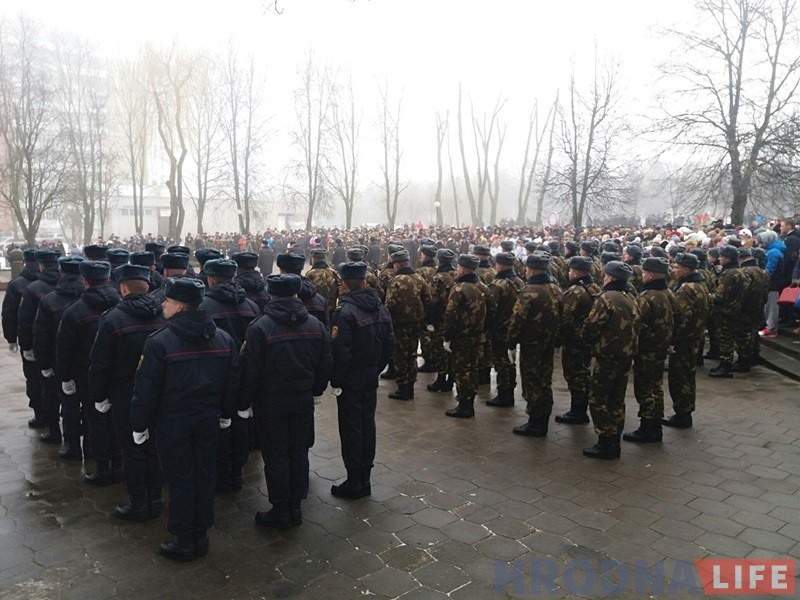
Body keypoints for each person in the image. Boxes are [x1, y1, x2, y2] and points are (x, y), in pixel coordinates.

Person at [130, 278, 239, 561]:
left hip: (173, 423)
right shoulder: (224, 339)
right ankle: (200, 534)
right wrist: (226, 415)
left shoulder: (160, 342)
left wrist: (138, 425)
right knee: (204, 476)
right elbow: (232, 384)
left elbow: (146, 390)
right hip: (207, 420)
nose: (162, 304)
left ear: (179, 306)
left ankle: (183, 539)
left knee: (179, 480)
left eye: (167, 301)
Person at [239, 274, 332, 529]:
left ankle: (281, 509)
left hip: (270, 401)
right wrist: (316, 389)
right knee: (298, 450)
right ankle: (295, 505)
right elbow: (325, 361)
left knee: (276, 454)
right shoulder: (315, 324)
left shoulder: (260, 327)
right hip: (302, 398)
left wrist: (244, 401)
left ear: (271, 294)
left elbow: (252, 370)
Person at [90, 265, 166, 504]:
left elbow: (101, 363)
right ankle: (155, 495)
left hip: (125, 394)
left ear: (122, 288)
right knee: (155, 446)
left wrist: (99, 395)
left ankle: (138, 502)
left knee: (132, 449)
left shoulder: (112, 319)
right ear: (147, 287)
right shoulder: (164, 315)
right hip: (160, 391)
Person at [329, 262, 394, 499]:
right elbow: (389, 344)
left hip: (351, 379)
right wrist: (376, 368)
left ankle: (355, 480)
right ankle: (364, 477)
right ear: (365, 282)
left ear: (345, 284)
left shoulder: (344, 313)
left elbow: (340, 352)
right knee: (367, 425)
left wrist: (336, 381)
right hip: (369, 375)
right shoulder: (381, 308)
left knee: (351, 428)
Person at [200, 259, 260, 493]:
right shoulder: (251, 305)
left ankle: (221, 475)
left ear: (211, 279)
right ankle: (236, 472)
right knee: (240, 423)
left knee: (218, 427)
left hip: (215, 378)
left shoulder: (204, 306)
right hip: (244, 376)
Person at [55, 260, 120, 466]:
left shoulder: (74, 311)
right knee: (115, 419)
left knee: (95, 419)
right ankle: (116, 462)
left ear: (85, 282)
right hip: (117, 373)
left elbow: (64, 349)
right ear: (108, 280)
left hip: (86, 373)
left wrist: (65, 377)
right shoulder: (120, 305)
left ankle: (98, 461)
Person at [581, 261, 640, 459]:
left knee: (598, 398)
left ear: (611, 277)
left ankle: (606, 440)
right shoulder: (630, 296)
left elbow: (591, 326)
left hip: (608, 355)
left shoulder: (606, 298)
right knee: (616, 397)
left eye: (606, 275)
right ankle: (614, 437)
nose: (603, 277)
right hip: (626, 354)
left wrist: (587, 341)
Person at [507, 251, 563, 436]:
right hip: (549, 342)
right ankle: (543, 418)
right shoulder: (556, 288)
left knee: (532, 382)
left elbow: (517, 320)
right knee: (545, 380)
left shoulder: (529, 292)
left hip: (532, 344)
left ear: (531, 270)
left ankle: (535, 422)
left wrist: (510, 343)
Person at [33, 256, 85, 446]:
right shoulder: (88, 298)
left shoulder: (49, 301)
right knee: (87, 404)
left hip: (58, 360)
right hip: (86, 361)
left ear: (62, 272)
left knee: (58, 398)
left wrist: (44, 364)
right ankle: (88, 447)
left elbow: (42, 337)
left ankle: (59, 436)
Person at [624, 257, 675, 444]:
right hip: (661, 347)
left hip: (647, 349)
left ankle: (648, 428)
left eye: (645, 273)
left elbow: (635, 324)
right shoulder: (668, 292)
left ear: (651, 274)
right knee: (656, 387)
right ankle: (655, 423)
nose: (642, 275)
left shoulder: (647, 297)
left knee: (645, 388)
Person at [665, 253, 712, 429]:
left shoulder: (686, 288)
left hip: (684, 340)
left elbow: (682, 318)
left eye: (677, 267)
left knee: (680, 377)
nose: (674, 270)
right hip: (695, 336)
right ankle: (685, 411)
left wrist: (673, 338)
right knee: (688, 375)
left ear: (686, 269)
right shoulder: (700, 285)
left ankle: (682, 414)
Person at [17, 250, 61, 430]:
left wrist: (23, 344)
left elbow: (24, 320)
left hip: (41, 344)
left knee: (38, 382)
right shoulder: (67, 284)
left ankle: (44, 419)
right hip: (66, 345)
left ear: (41, 264)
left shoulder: (30, 288)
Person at [555, 256, 601, 424]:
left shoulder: (574, 291)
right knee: (583, 372)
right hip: (586, 338)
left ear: (575, 272)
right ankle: (580, 409)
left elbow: (565, 318)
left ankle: (578, 411)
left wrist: (558, 339)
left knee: (576, 375)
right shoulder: (593, 286)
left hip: (574, 340)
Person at [443, 254, 489, 418]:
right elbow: (491, 310)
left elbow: (451, 314)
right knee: (473, 368)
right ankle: (469, 401)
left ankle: (464, 405)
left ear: (462, 269)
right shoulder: (482, 287)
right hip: (476, 336)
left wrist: (446, 337)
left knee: (461, 370)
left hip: (461, 337)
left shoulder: (459, 288)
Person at [384, 249, 431, 400]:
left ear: (397, 264)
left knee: (400, 356)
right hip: (416, 324)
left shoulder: (396, 281)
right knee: (412, 355)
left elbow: (389, 304)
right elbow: (428, 299)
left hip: (400, 325)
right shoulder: (419, 278)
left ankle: (403, 388)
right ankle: (410, 385)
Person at [2, 249, 41, 427]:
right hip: (52, 338)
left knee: (33, 377)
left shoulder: (17, 284)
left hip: (29, 338)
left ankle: (40, 414)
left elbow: (9, 314)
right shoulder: (53, 282)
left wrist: (11, 339)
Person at [485, 252, 525, 407]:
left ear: (500, 265)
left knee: (501, 362)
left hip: (500, 328)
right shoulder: (519, 282)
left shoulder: (498, 285)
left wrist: (487, 327)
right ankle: (509, 390)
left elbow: (492, 308)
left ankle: (504, 394)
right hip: (513, 327)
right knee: (510, 360)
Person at [709, 245, 747, 378]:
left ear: (728, 258)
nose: (719, 259)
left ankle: (725, 366)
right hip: (736, 309)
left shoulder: (728, 274)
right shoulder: (740, 271)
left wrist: (708, 296)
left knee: (725, 338)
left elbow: (720, 295)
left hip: (725, 310)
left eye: (721, 257)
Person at [426, 248, 458, 393]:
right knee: (452, 350)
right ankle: (451, 380)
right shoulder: (457, 274)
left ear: (439, 260)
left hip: (440, 319)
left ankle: (440, 379)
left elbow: (432, 301)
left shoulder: (438, 277)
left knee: (439, 349)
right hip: (454, 318)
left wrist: (429, 320)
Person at [275, 253, 329, 327]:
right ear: (300, 270)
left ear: (282, 271)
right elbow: (325, 329)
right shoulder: (320, 300)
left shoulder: (274, 297)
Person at [755, 230, 786, 338]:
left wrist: (762, 277)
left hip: (773, 284)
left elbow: (770, 269)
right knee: (769, 306)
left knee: (771, 306)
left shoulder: (773, 252)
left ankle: (771, 328)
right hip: (772, 283)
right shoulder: (773, 250)